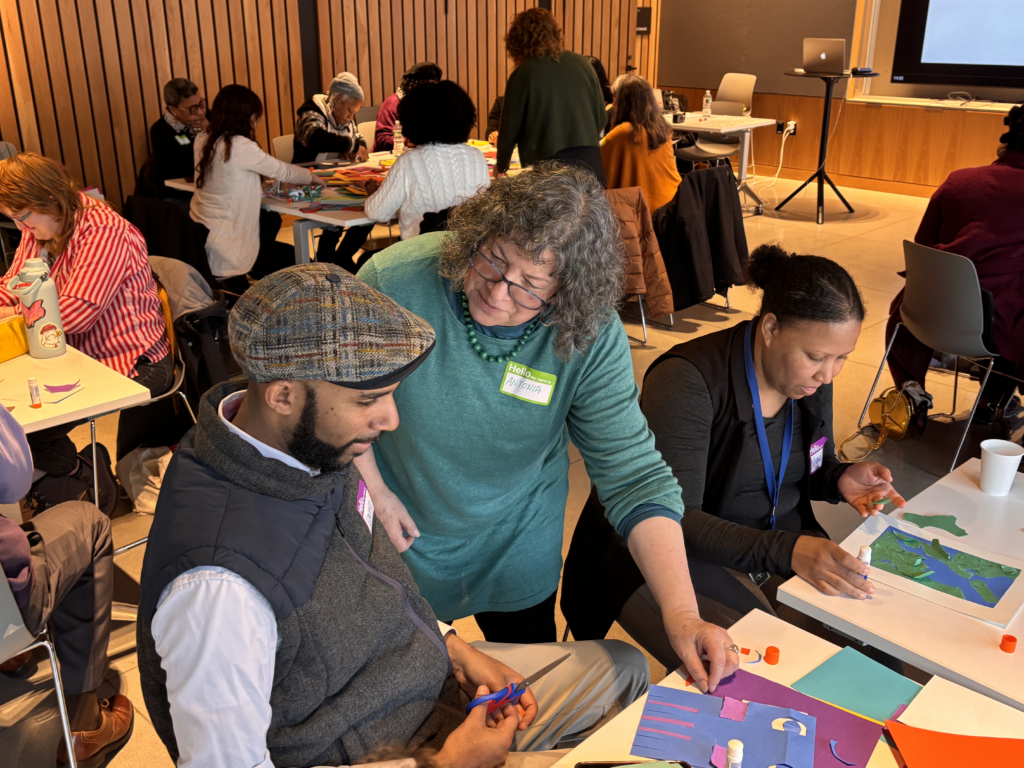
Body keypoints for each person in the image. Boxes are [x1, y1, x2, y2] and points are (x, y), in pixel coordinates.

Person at [137, 263, 649, 768]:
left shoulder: (299, 446)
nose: (390, 419)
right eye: (369, 399)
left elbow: (377, 585)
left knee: (624, 668)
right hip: (404, 752)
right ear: (284, 396)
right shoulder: (218, 587)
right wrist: (444, 766)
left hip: (428, 694)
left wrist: (452, 647)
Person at [356, 164, 740, 692]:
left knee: (526, 688)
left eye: (530, 288)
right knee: (403, 680)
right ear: (477, 233)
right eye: (493, 259)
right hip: (402, 525)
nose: (497, 291)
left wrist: (683, 614)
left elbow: (633, 474)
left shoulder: (587, 331)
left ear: (566, 294)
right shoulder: (393, 281)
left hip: (517, 537)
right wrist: (372, 488)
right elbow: (329, 400)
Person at [572, 244, 907, 672]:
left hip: (767, 547)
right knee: (774, 670)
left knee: (874, 654)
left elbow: (802, 467)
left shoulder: (809, 379)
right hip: (676, 557)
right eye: (817, 357)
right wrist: (787, 551)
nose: (829, 375)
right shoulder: (686, 381)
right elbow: (675, 520)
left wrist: (837, 478)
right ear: (769, 328)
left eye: (842, 358)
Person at [0, 153, 172, 513]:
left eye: (22, 218)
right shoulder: (45, 224)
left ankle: (84, 474)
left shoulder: (103, 231)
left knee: (21, 431)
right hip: (72, 355)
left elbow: (73, 316)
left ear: (49, 199)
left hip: (130, 361)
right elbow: (14, 285)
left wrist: (14, 312)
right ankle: (75, 474)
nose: (20, 229)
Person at [0, 406, 132, 765]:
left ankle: (12, 655)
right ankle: (85, 723)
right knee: (91, 522)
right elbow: (14, 478)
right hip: (7, 604)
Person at [885, 104, 1024, 427]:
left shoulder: (959, 181)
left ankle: (911, 393)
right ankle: (994, 400)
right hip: (997, 329)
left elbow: (921, 247)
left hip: (923, 316)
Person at [191, 85, 324, 294]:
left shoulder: (203, 140)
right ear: (246, 117)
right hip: (229, 250)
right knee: (300, 262)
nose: (256, 122)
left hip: (204, 242)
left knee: (271, 228)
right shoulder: (239, 146)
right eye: (255, 117)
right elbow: (283, 171)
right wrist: (312, 177)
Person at [363, 81, 489, 240]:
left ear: (412, 120)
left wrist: (374, 192)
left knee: (364, 261)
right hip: (466, 256)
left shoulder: (409, 161)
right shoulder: (477, 157)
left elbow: (377, 213)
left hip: (420, 258)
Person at [495, 9, 608, 182]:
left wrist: (501, 167)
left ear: (517, 42)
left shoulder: (523, 75)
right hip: (590, 164)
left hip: (547, 170)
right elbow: (601, 117)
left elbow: (507, 134)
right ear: (554, 33)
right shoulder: (583, 64)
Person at [293, 72, 374, 271]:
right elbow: (317, 138)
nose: (350, 116)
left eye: (354, 112)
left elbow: (357, 138)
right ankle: (325, 264)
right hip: (307, 183)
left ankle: (342, 258)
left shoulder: (345, 116)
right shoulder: (311, 112)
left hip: (336, 181)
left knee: (371, 211)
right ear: (337, 99)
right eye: (349, 110)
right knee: (337, 219)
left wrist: (357, 144)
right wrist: (350, 145)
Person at [601, 73, 681, 212]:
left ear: (625, 101)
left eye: (616, 98)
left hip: (641, 212)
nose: (613, 104)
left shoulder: (623, 133)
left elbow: (599, 170)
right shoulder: (662, 128)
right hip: (672, 206)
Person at [148, 78, 208, 191]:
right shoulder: (160, 130)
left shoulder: (209, 117)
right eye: (192, 109)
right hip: (180, 193)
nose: (201, 112)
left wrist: (211, 130)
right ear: (173, 110)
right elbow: (176, 172)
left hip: (209, 187)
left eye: (201, 104)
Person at [375, 61, 443, 154]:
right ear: (415, 85)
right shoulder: (393, 104)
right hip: (389, 159)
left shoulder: (431, 105)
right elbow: (382, 139)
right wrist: (408, 142)